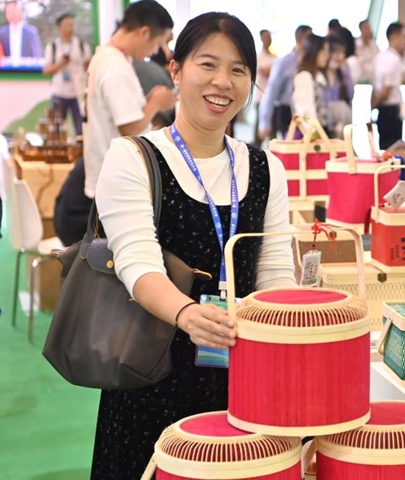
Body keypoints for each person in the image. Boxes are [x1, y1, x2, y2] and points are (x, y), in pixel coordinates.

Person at [91, 11, 296, 478]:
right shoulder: (133, 158)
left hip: (245, 378)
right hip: (152, 377)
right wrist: (187, 314)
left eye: (239, 70)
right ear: (176, 70)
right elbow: (138, 265)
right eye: (208, 64)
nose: (222, 81)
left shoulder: (267, 170)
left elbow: (275, 274)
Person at [83, 0, 176, 199]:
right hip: (114, 182)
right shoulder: (115, 66)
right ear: (143, 32)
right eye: (159, 43)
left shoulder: (111, 57)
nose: (158, 51)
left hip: (111, 176)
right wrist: (156, 102)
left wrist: (149, 100)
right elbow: (130, 129)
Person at [256, 24, 312, 142]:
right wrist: (265, 122)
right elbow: (271, 91)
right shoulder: (284, 63)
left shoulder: (310, 62)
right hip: (285, 111)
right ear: (301, 39)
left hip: (305, 112)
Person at [42, 13, 92, 136]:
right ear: (59, 28)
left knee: (82, 129)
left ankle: (81, 153)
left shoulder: (81, 45)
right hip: (59, 92)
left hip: (78, 92)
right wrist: (60, 64)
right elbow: (46, 70)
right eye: (66, 25)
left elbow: (90, 66)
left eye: (71, 25)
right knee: (56, 130)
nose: (70, 28)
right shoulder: (53, 46)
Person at [372, 21, 405, 149]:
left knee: (384, 148)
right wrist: (373, 105)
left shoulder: (379, 57)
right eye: (403, 37)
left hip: (382, 108)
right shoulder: (393, 59)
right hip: (390, 110)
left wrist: (372, 106)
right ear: (395, 36)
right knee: (393, 150)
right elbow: (386, 89)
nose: (404, 41)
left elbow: (375, 85)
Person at [292, 34, 330, 131]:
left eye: (327, 51)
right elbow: (305, 113)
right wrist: (314, 135)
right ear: (313, 52)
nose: (326, 55)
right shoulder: (304, 76)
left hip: (318, 134)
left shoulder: (317, 75)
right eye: (323, 51)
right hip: (310, 136)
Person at [325, 34, 354, 138]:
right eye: (337, 52)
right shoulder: (320, 76)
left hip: (342, 126)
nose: (340, 57)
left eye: (342, 52)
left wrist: (345, 71)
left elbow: (351, 94)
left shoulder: (342, 74)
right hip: (326, 126)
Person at [254, 29, 276, 140]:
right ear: (262, 39)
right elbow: (265, 72)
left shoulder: (274, 57)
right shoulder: (258, 56)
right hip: (261, 97)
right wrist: (274, 69)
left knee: (273, 132)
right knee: (259, 131)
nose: (269, 39)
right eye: (266, 37)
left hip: (273, 99)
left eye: (270, 37)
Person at [353, 19, 379, 84]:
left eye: (369, 27)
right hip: (359, 80)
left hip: (372, 80)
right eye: (366, 28)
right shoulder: (356, 45)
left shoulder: (374, 45)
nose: (368, 30)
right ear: (360, 29)